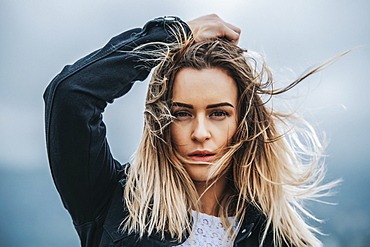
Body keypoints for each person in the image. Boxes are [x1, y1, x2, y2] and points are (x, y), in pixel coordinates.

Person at [44, 14, 336, 247]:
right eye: (182, 114)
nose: (200, 132)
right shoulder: (112, 205)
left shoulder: (276, 238)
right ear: (162, 123)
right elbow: (70, 95)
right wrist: (173, 35)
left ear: (243, 124)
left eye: (218, 113)